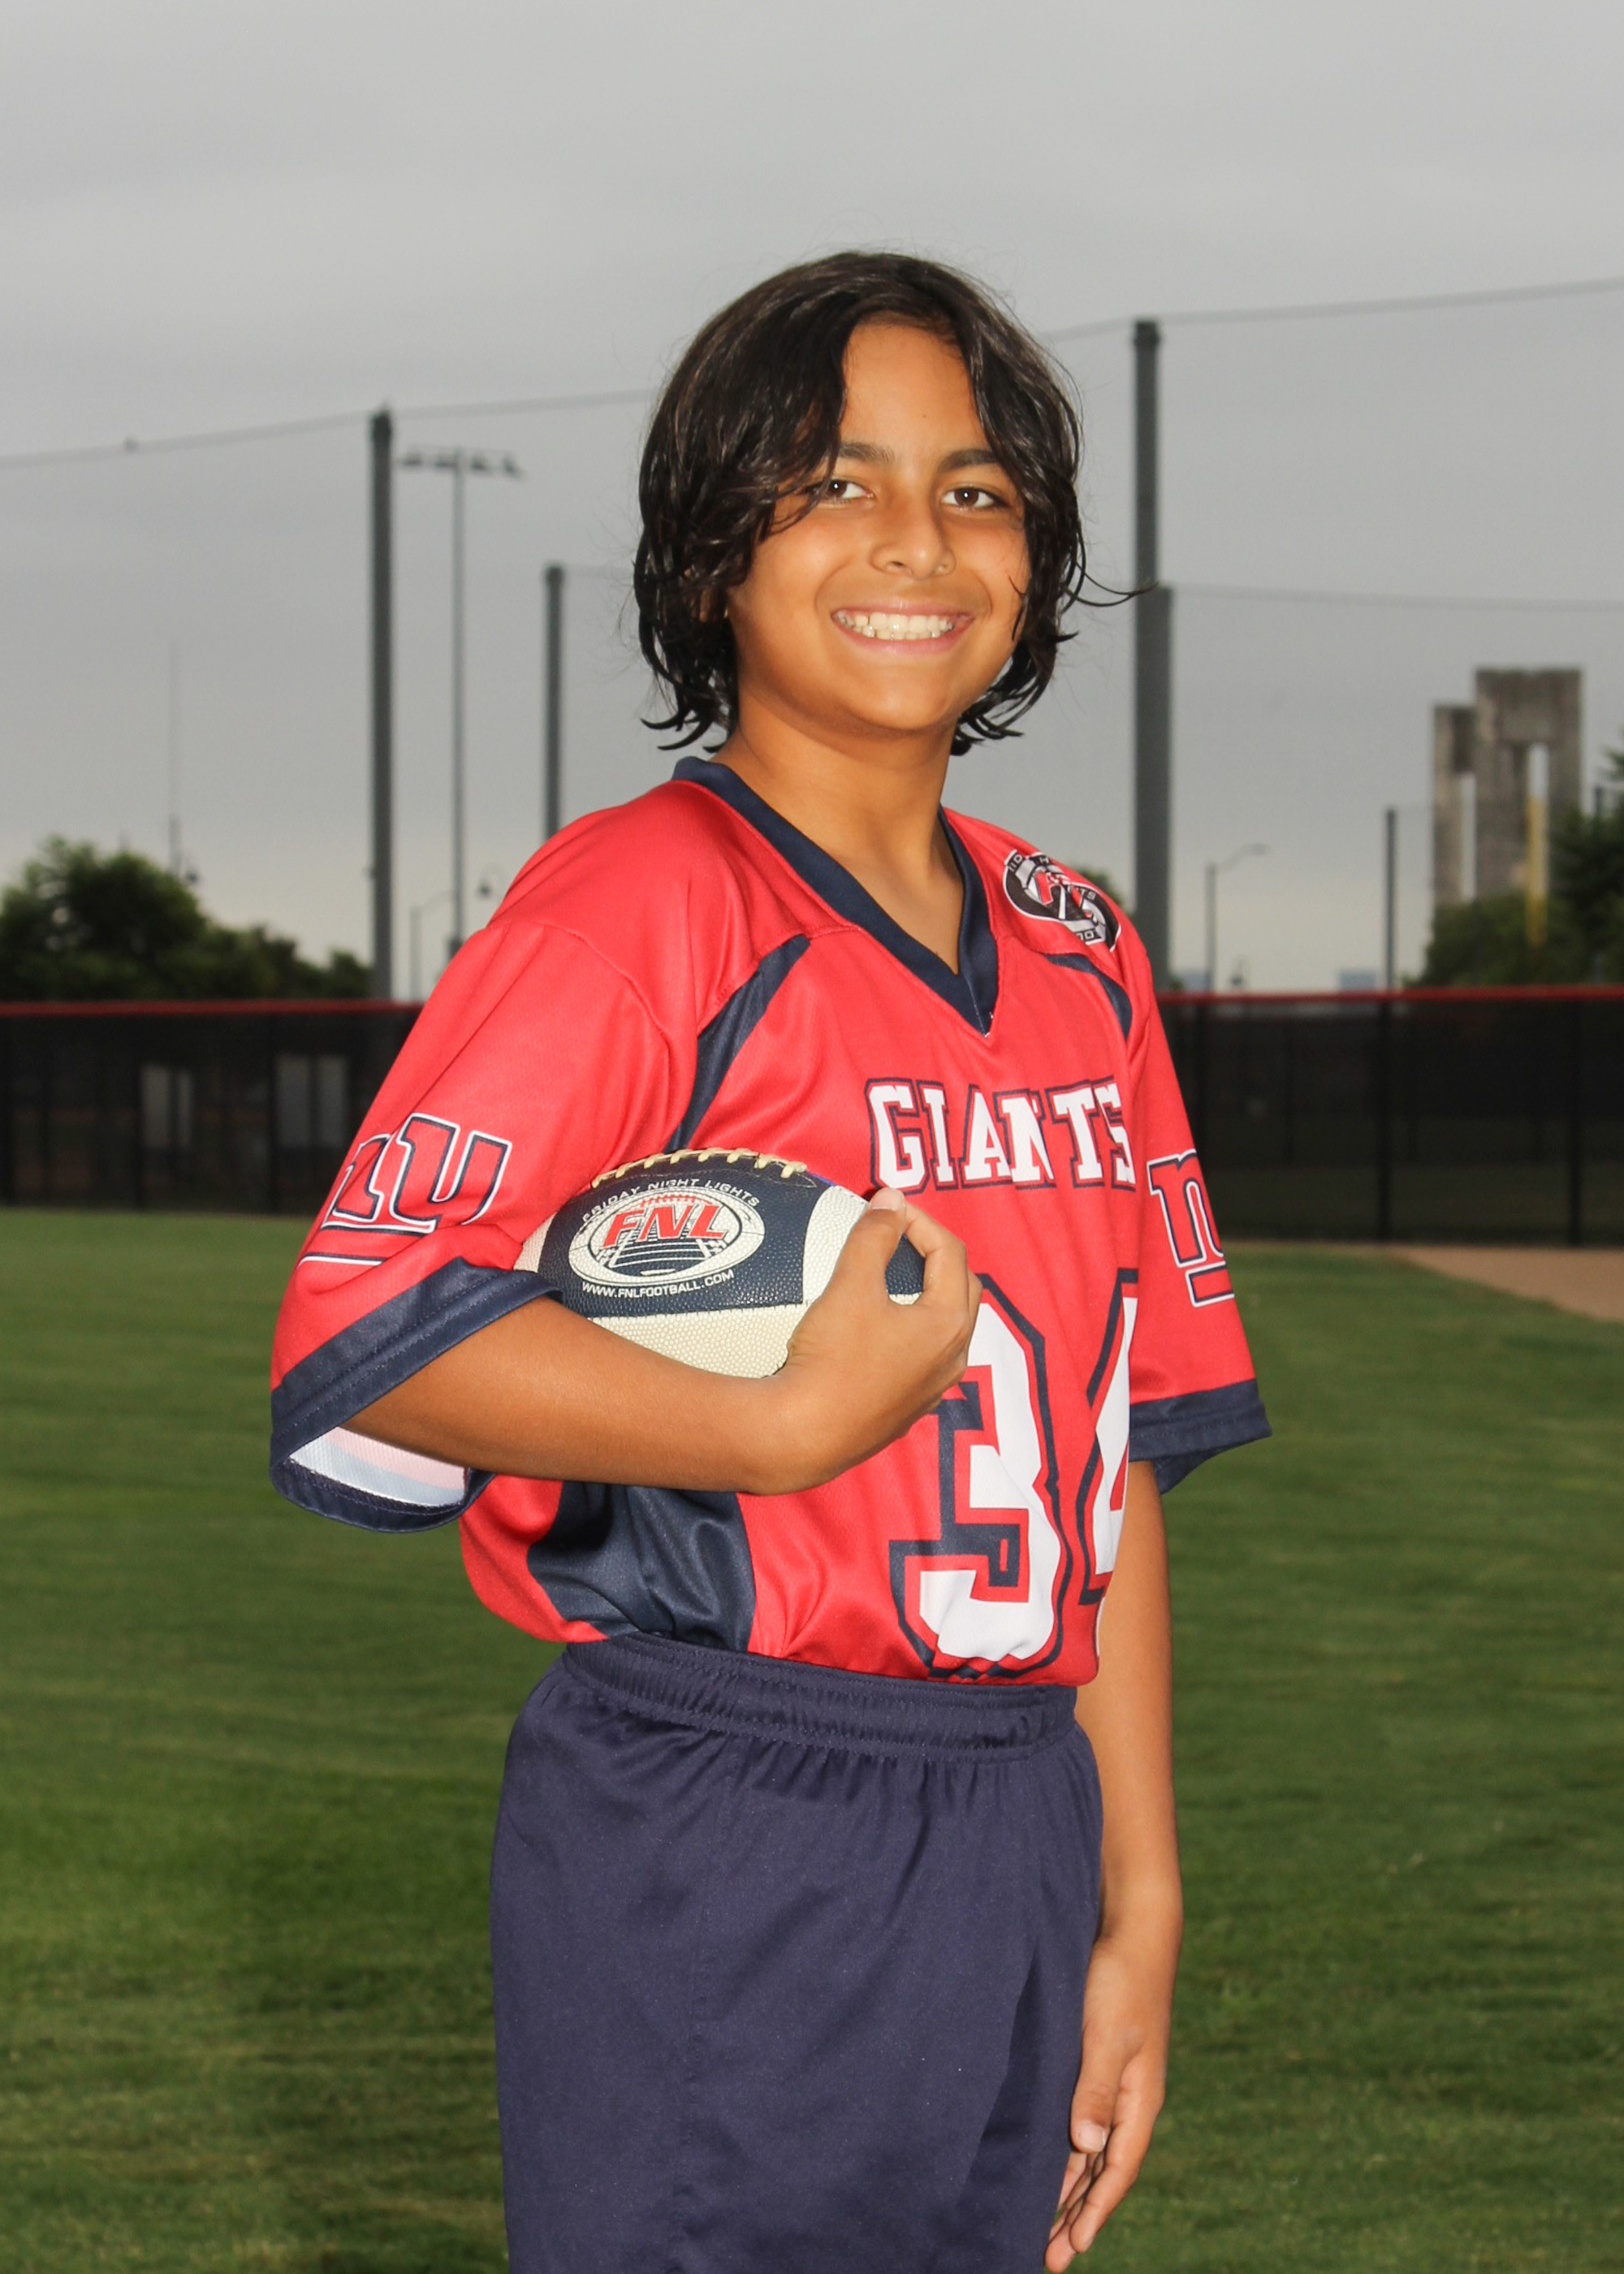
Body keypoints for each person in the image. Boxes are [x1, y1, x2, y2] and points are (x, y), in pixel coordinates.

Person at [269, 251, 1268, 2274]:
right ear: (714, 543)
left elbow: (1111, 1464)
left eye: (976, 490)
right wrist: (784, 1421)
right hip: (724, 1798)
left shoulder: (1077, 946)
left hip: (1019, 1802)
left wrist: (1139, 1899)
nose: (915, 538)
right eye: (833, 482)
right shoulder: (637, 905)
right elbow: (364, 1328)